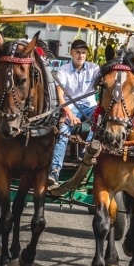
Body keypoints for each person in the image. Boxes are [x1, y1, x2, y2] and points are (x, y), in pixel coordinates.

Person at [48, 39, 100, 186]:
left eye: (84, 53)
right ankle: (55, 171)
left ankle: (87, 148)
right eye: (78, 52)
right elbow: (60, 96)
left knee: (100, 117)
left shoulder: (94, 69)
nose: (81, 55)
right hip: (71, 108)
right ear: (71, 53)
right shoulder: (63, 70)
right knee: (63, 132)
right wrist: (69, 113)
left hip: (90, 108)